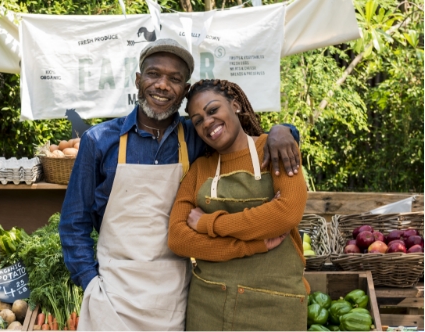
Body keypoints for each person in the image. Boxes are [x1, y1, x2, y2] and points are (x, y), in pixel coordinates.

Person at [59, 38, 300, 331]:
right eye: (153, 74)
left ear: (184, 91)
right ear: (138, 80)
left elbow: (241, 135)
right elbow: (74, 222)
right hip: (112, 294)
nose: (162, 85)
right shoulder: (99, 141)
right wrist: (90, 283)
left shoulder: (197, 136)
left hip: (173, 297)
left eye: (174, 79)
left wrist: (283, 130)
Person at [167, 79, 309, 331]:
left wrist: (208, 223)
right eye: (198, 120)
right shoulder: (200, 169)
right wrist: (251, 245)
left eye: (213, 110)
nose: (207, 122)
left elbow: (286, 213)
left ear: (236, 105)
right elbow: (179, 239)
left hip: (274, 306)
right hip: (209, 305)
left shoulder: (275, 148)